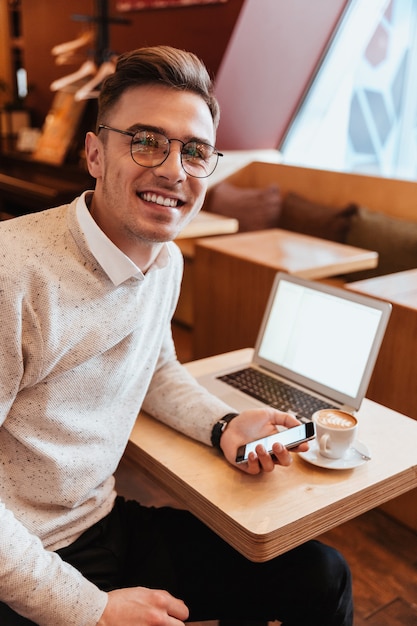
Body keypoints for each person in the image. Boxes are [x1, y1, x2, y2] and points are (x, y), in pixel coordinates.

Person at [0, 46, 353, 626]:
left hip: (99, 523)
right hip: (20, 558)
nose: (173, 170)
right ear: (94, 152)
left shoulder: (165, 262)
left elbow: (157, 367)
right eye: (146, 141)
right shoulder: (16, 272)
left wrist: (223, 424)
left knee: (321, 576)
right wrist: (94, 611)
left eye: (195, 151)